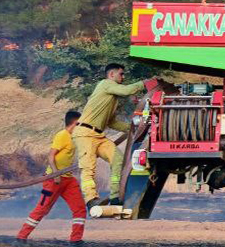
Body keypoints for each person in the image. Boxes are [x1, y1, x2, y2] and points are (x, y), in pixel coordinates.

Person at [72, 63, 155, 209]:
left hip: (98, 135)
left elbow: (111, 122)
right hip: (84, 134)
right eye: (121, 74)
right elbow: (127, 90)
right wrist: (145, 83)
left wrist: (134, 128)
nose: (123, 77)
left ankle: (115, 196)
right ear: (111, 75)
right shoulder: (105, 84)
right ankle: (91, 200)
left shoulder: (111, 97)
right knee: (88, 168)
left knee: (117, 159)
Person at [16, 110, 87, 243]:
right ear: (74, 123)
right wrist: (55, 174)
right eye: (80, 124)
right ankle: (21, 237)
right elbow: (50, 156)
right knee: (42, 209)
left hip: (68, 179)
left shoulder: (76, 138)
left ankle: (76, 240)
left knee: (80, 209)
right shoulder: (62, 135)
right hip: (53, 179)